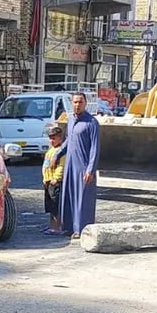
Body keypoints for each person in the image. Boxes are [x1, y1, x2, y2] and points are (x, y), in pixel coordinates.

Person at [50, 93, 100, 240]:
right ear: (71, 103)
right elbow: (68, 141)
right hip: (70, 166)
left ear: (86, 103)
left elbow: (95, 148)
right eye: (75, 102)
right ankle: (68, 227)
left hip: (83, 167)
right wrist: (57, 154)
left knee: (83, 198)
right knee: (69, 196)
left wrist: (90, 169)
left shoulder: (92, 123)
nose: (77, 105)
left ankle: (82, 229)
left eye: (80, 102)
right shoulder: (71, 120)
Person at [42, 126, 66, 235]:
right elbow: (46, 166)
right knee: (50, 206)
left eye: (54, 138)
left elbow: (61, 166)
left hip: (54, 182)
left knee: (56, 206)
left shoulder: (61, 152)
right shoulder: (50, 151)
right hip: (48, 181)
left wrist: (56, 178)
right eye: (50, 138)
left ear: (60, 139)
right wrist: (44, 178)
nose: (52, 141)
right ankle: (51, 226)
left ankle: (57, 226)